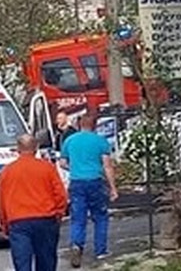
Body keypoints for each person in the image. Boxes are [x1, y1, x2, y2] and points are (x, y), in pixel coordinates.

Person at [0, 134, 68, 271]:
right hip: (45, 219)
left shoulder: (7, 171)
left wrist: (4, 224)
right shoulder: (47, 168)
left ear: (17, 149)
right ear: (36, 148)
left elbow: (1, 201)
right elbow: (60, 194)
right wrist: (59, 214)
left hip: (18, 221)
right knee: (46, 261)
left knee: (22, 262)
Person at [60, 113, 118, 267]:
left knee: (78, 218)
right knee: (100, 216)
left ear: (80, 125)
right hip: (95, 182)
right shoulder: (100, 142)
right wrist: (113, 188)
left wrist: (76, 167)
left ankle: (76, 245)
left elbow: (62, 163)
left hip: (77, 182)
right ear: (95, 125)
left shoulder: (70, 140)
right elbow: (107, 166)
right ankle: (100, 251)